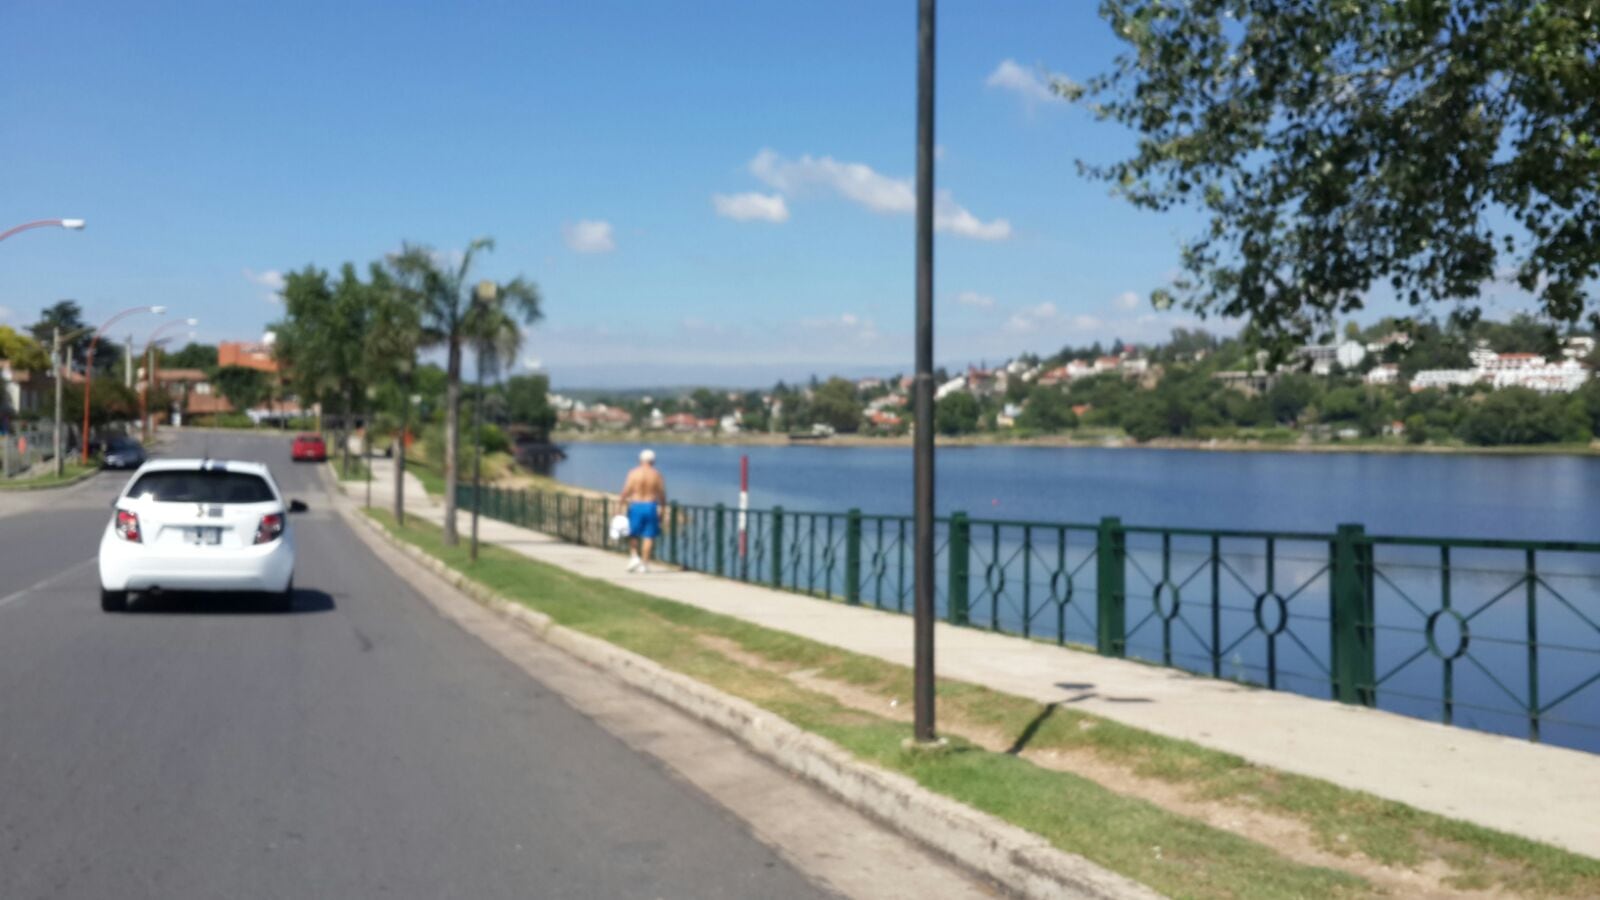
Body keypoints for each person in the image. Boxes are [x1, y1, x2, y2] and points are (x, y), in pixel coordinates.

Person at [620, 448, 666, 573]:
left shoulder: (633, 473)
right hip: (650, 505)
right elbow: (661, 494)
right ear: (653, 461)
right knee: (649, 535)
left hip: (636, 505)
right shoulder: (656, 474)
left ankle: (634, 556)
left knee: (633, 533)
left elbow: (626, 490)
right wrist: (662, 509)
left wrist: (621, 504)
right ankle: (644, 563)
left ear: (640, 460)